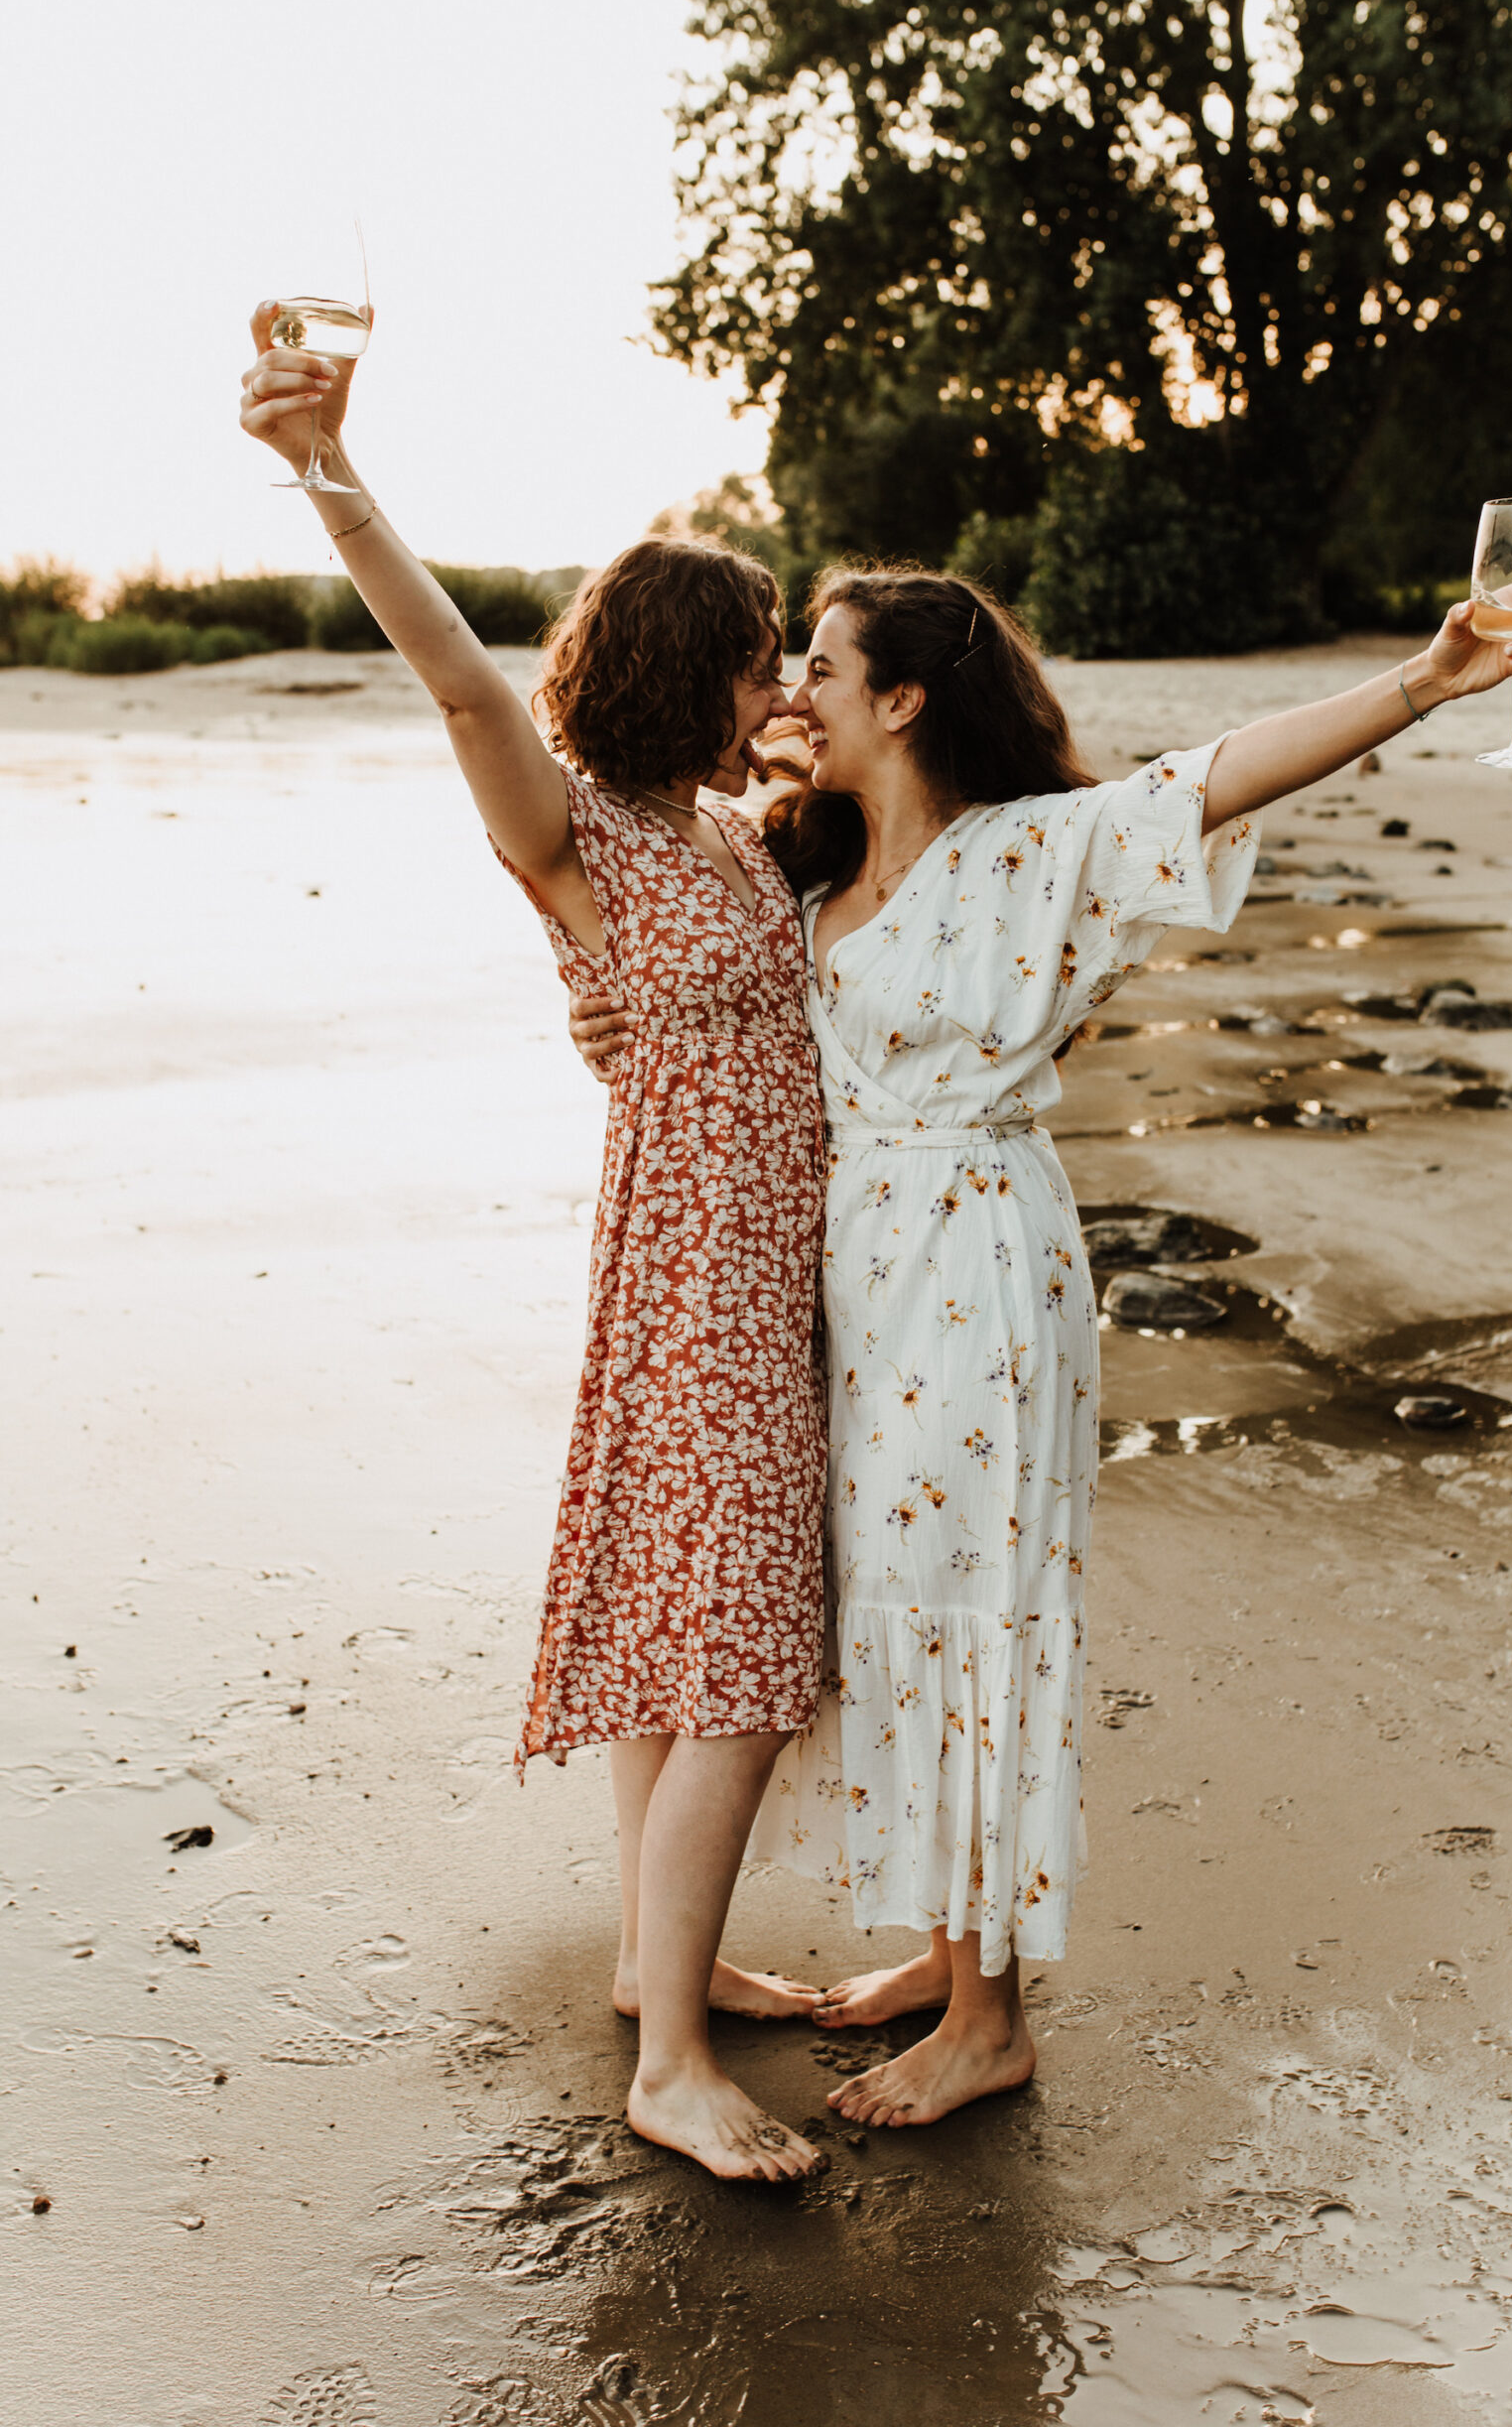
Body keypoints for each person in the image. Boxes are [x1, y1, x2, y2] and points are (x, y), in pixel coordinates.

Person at [569, 561, 1512, 2129]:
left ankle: (990, 2018)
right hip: (841, 1281)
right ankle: (956, 1952)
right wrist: (606, 1024)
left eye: (819, 670)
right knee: (899, 1605)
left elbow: (1224, 771)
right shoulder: (802, 866)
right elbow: (690, 992)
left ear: (902, 699)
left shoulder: (1032, 852)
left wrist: (1424, 680)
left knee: (977, 1601)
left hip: (976, 1266)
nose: (788, 698)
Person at [238, 307, 830, 2182]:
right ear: (684, 672)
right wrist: (329, 472)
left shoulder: (740, 831)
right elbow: (462, 681)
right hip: (692, 1280)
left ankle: (671, 1971)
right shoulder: (574, 830)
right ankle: (669, 2067)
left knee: (682, 1643)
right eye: (756, 662)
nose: (773, 689)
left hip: (772, 1274)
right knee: (735, 1653)